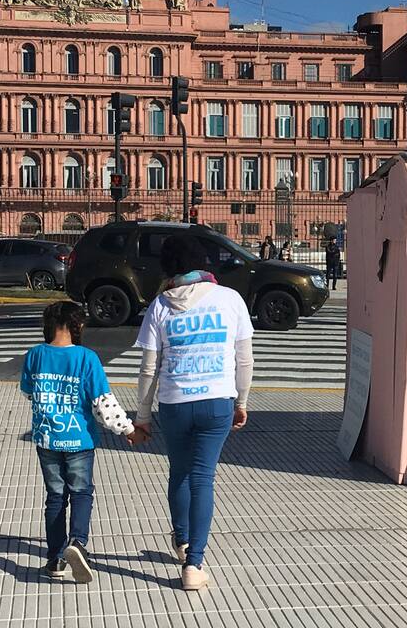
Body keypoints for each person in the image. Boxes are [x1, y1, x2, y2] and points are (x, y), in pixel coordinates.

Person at [135, 235, 253, 591]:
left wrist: (142, 414)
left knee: (179, 472)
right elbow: (244, 359)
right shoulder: (230, 299)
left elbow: (148, 368)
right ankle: (194, 563)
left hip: (174, 402)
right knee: (203, 478)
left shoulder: (160, 305)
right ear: (204, 263)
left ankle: (182, 539)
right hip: (217, 400)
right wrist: (241, 401)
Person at [20, 301, 142, 583]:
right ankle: (77, 542)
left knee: (55, 497)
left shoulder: (35, 355)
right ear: (79, 326)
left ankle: (55, 559)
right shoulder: (87, 359)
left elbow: (28, 392)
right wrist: (128, 430)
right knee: (81, 491)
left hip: (47, 438)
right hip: (79, 438)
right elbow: (103, 404)